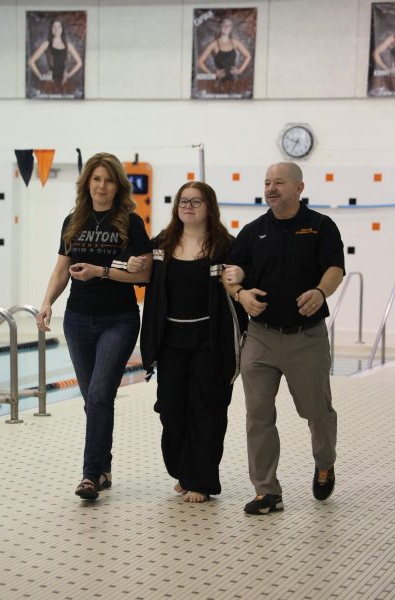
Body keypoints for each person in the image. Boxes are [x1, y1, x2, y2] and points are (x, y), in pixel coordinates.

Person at [223, 162, 345, 515]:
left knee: (316, 412)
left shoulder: (321, 227)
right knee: (258, 414)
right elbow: (233, 272)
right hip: (260, 337)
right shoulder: (253, 230)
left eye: (279, 182)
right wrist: (240, 294)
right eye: (267, 182)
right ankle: (267, 491)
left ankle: (324, 462)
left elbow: (335, 268)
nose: (271, 188)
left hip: (306, 337)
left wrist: (321, 293)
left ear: (298, 187)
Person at [37, 152, 152, 500]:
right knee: (93, 399)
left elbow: (144, 274)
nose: (102, 186)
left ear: (118, 186)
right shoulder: (73, 221)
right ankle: (103, 467)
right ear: (87, 182)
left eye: (109, 180)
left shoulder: (130, 224)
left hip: (118, 318)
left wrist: (101, 271)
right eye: (96, 179)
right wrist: (46, 302)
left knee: (101, 394)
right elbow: (61, 270)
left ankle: (89, 476)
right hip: (77, 319)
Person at [137, 181, 248, 503]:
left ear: (209, 207)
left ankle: (200, 480)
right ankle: (183, 470)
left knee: (208, 409)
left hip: (210, 339)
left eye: (196, 201)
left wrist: (240, 275)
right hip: (171, 338)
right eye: (183, 201)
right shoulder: (162, 243)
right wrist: (133, 266)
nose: (188, 206)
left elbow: (245, 276)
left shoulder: (226, 246)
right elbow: (143, 274)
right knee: (171, 409)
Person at [28, 18, 83, 86]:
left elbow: (79, 63)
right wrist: (41, 77)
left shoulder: (68, 45)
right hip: (50, 81)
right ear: (51, 29)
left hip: (64, 81)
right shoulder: (46, 44)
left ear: (62, 29)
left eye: (59, 27)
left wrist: (68, 75)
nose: (56, 29)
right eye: (54, 27)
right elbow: (31, 61)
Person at [197, 17, 251, 82]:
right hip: (218, 82)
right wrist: (212, 74)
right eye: (224, 24)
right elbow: (199, 62)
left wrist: (240, 70)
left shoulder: (235, 42)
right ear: (220, 26)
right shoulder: (214, 44)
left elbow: (248, 56)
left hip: (233, 81)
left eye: (229, 25)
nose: (226, 27)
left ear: (231, 28)